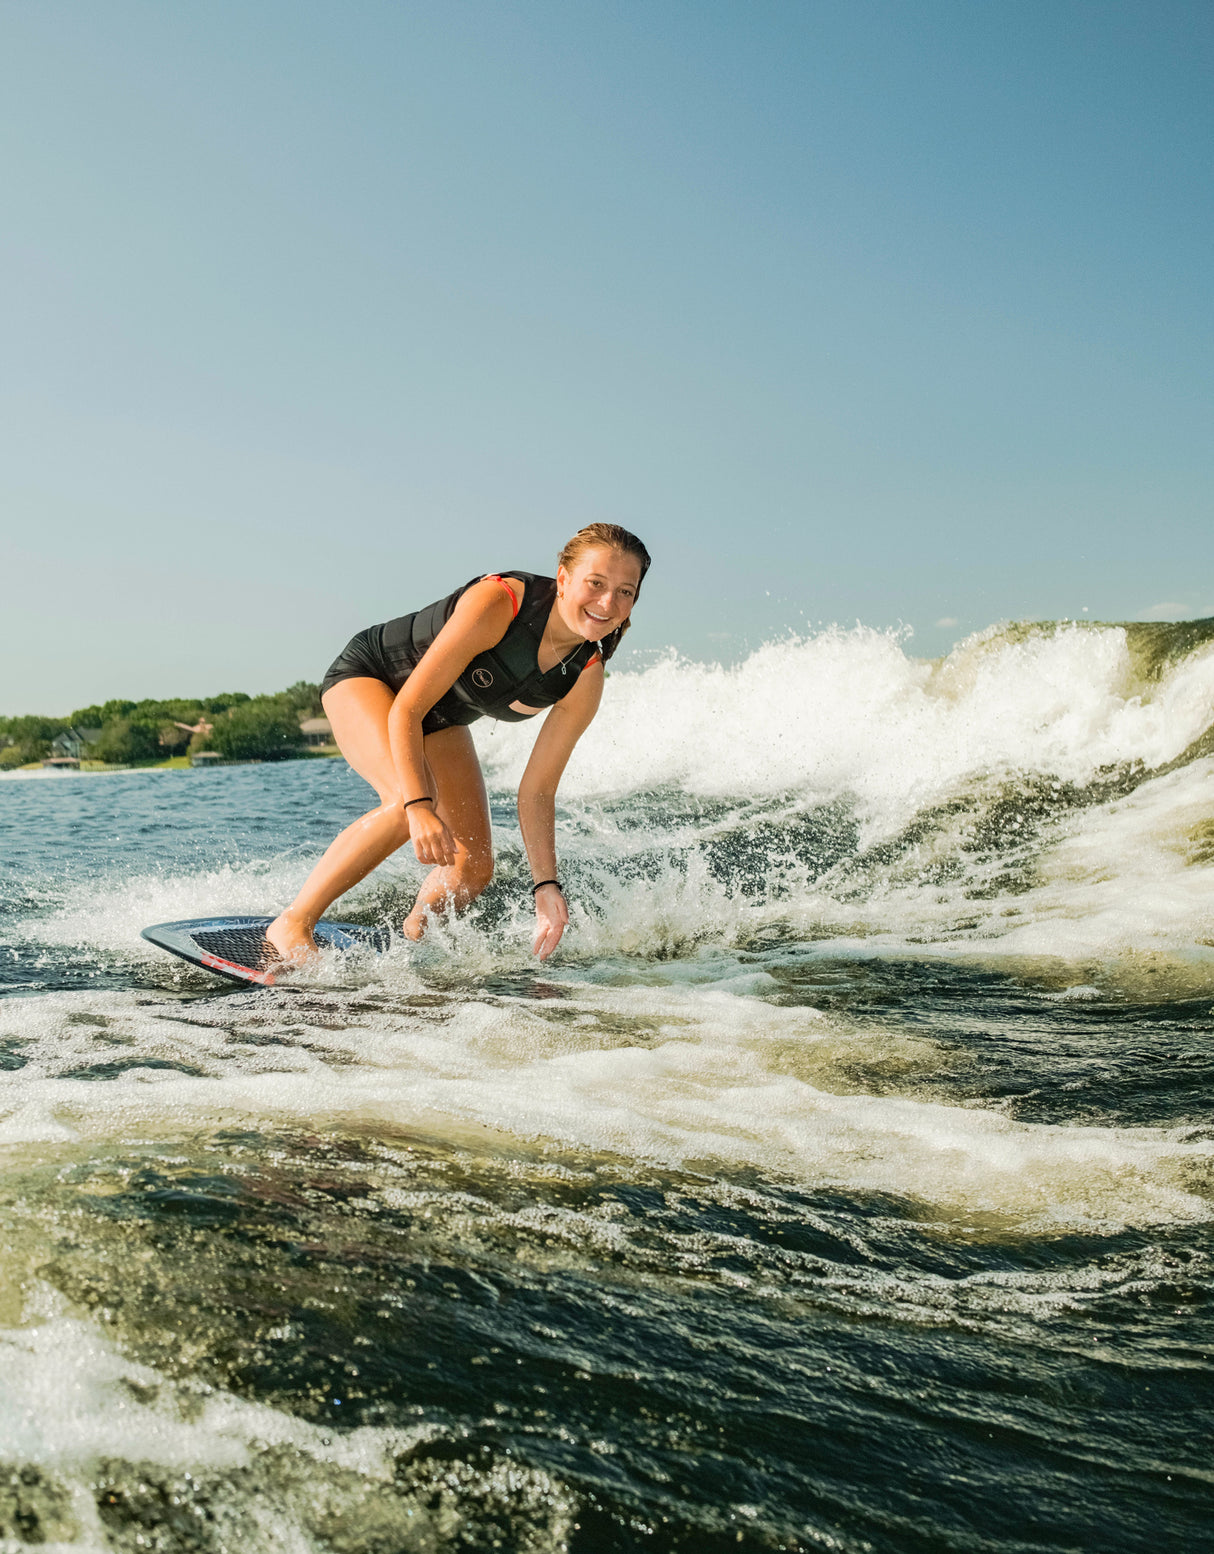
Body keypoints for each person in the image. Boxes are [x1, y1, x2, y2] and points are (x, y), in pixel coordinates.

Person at [266, 523, 651, 965]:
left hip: (441, 719)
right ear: (563, 579)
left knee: (472, 868)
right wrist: (418, 807)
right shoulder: (502, 602)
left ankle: (415, 935)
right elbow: (406, 709)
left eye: (625, 592)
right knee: (402, 805)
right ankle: (293, 923)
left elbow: (537, 791)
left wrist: (546, 887)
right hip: (373, 679)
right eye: (596, 583)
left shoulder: (585, 675)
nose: (608, 603)